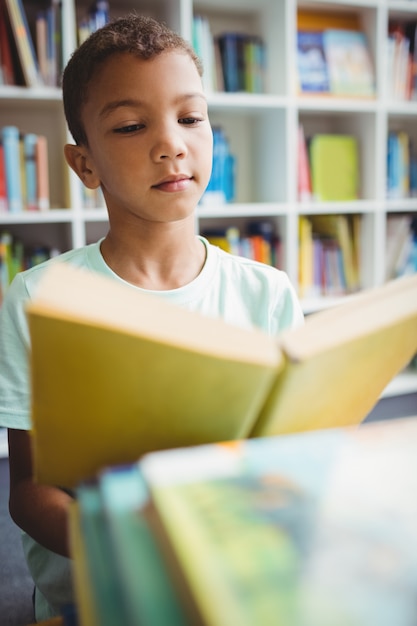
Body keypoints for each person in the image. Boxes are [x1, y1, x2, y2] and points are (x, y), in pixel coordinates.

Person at [0, 13, 304, 622]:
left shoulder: (267, 293)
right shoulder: (40, 297)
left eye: (190, 118)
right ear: (84, 165)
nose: (172, 144)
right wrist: (130, 550)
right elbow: (30, 492)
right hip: (92, 593)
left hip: (224, 580)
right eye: (133, 126)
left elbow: (287, 462)